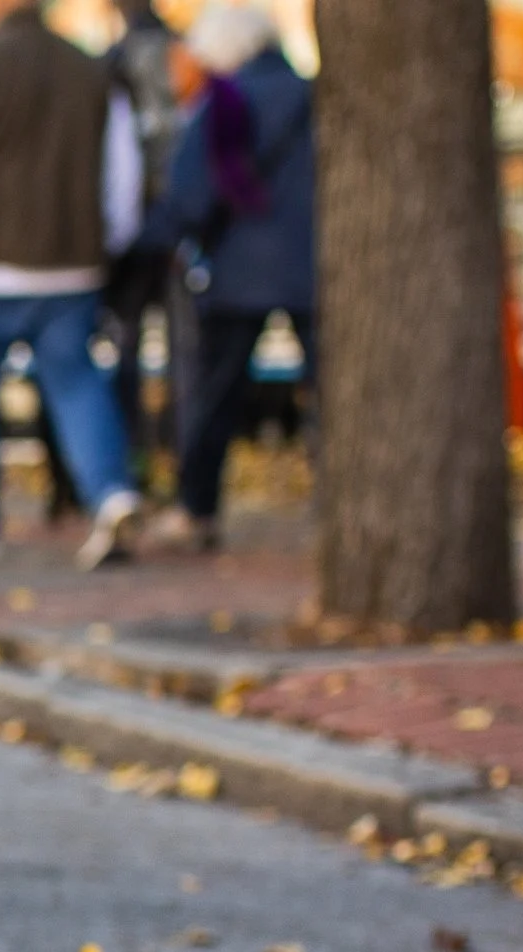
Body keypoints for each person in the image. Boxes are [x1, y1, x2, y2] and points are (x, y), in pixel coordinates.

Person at [0, 0, 145, 571]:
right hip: (71, 265)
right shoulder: (94, 74)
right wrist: (105, 241)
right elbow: (123, 178)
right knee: (75, 382)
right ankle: (109, 489)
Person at [142, 3, 313, 553]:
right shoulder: (313, 95)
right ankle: (346, 502)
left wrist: (152, 240)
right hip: (314, 264)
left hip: (242, 268)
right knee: (332, 391)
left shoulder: (227, 101)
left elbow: (194, 193)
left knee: (215, 396)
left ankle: (197, 508)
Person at [105, 0, 186, 493]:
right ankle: (175, 461)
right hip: (179, 222)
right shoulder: (183, 53)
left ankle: (131, 462)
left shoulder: (114, 61)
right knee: (182, 351)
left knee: (126, 346)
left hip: (133, 225)